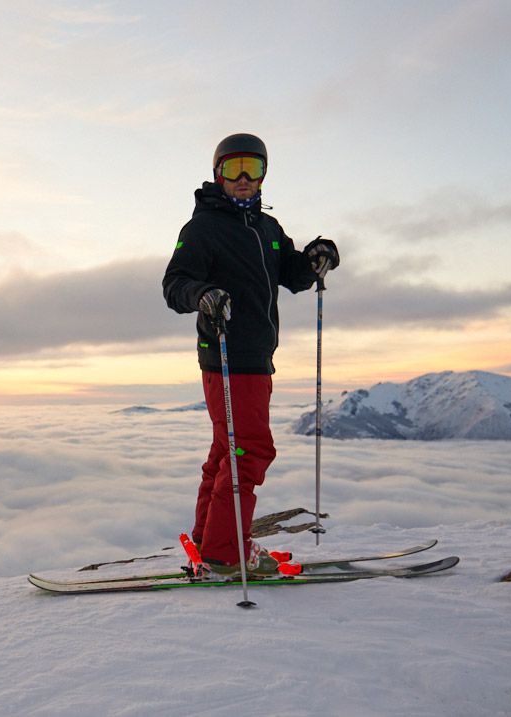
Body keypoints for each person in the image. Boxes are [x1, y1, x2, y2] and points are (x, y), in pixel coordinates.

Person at [162, 133, 339, 576]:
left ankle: (209, 537)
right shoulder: (203, 228)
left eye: (253, 169)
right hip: (226, 355)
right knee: (251, 449)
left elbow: (293, 275)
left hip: (256, 356)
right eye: (234, 168)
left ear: (264, 175)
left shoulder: (267, 229)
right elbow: (175, 284)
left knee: (229, 449)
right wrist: (203, 294)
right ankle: (227, 552)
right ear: (218, 173)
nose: (243, 178)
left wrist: (317, 258)